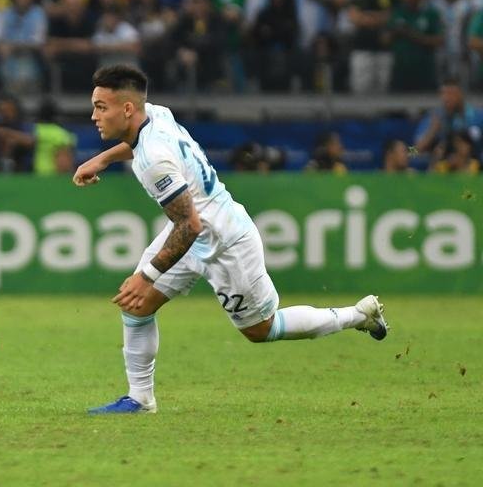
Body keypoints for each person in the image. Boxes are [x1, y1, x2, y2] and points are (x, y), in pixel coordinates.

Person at [73, 64, 388, 415]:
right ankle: (140, 398)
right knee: (136, 305)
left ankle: (357, 315)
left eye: (101, 107)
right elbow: (138, 148)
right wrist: (101, 159)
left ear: (127, 109)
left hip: (225, 242)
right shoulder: (156, 114)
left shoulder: (154, 161)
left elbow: (188, 226)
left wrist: (145, 275)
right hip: (192, 228)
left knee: (261, 330)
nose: (93, 116)